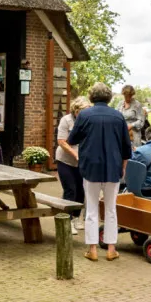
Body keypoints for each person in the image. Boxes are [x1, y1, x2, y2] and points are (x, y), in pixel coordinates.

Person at [66, 82, 133, 262]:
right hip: (113, 168)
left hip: (90, 167)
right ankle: (111, 248)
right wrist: (123, 166)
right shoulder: (118, 117)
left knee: (92, 209)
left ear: (91, 97)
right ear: (109, 97)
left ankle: (93, 249)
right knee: (111, 209)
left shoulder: (85, 115)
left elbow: (72, 139)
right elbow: (127, 147)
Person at [56, 96, 91, 234]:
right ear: (76, 110)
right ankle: (67, 220)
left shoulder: (88, 121)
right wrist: (75, 154)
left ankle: (77, 218)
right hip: (65, 160)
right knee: (70, 189)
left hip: (82, 162)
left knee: (81, 190)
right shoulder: (66, 120)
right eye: (82, 111)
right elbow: (61, 141)